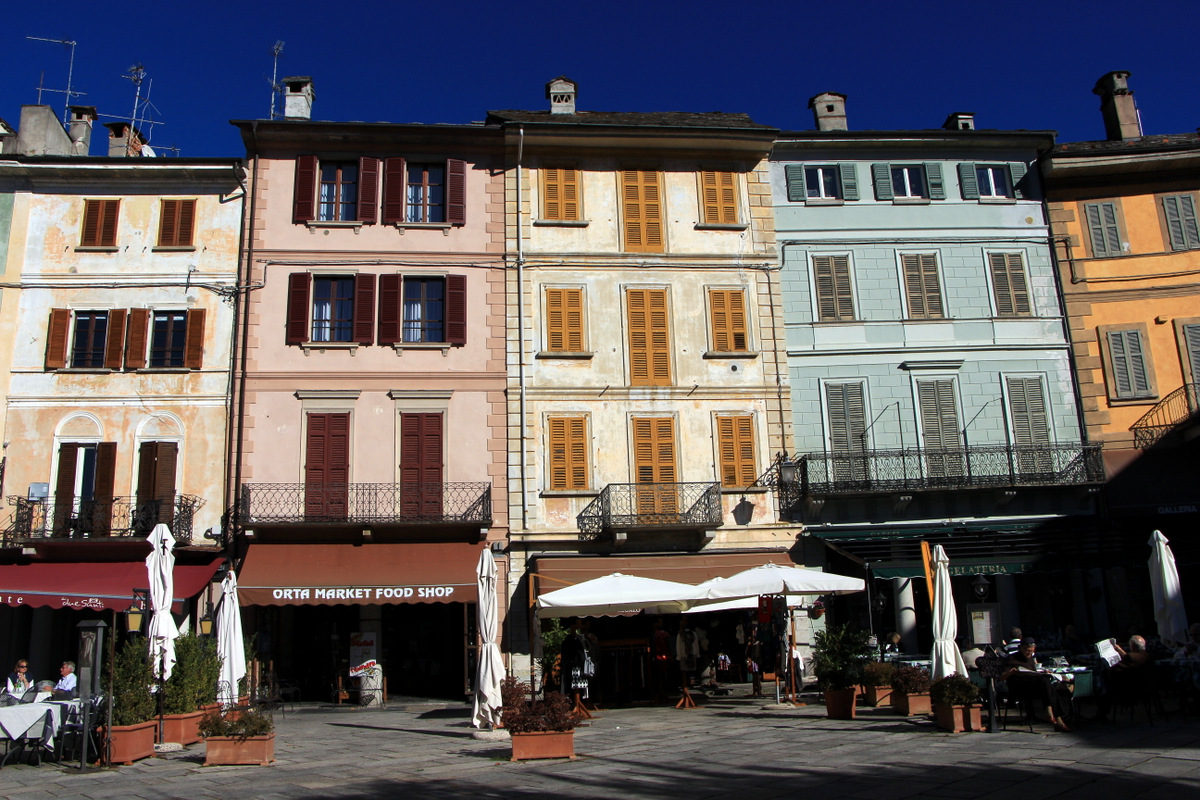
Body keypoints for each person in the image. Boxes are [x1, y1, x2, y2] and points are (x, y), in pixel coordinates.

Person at [1003, 638, 1072, 732]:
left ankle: (1053, 715)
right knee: (1047, 685)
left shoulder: (1030, 658)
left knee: (1048, 684)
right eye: (1027, 651)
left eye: (1032, 651)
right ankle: (1057, 718)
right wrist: (1011, 672)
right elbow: (1001, 677)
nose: (1029, 653)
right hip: (1020, 688)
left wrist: (1042, 672)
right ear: (1021, 648)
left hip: (1033, 686)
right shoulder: (1012, 658)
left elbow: (1033, 673)